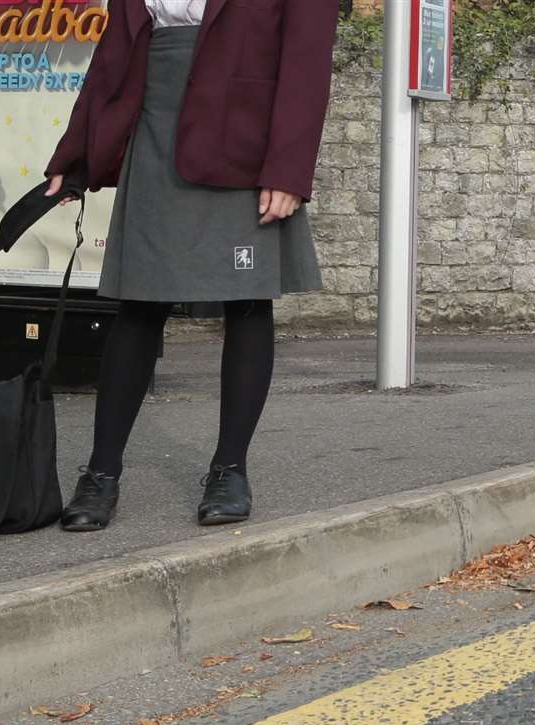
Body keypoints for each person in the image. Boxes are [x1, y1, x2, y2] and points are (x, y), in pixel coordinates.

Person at [44, 0, 339, 531]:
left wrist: (289, 168)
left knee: (246, 302)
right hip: (153, 124)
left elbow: (307, 60)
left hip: (244, 138)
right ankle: (101, 473)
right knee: (138, 302)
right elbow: (115, 54)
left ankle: (229, 469)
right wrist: (78, 157)